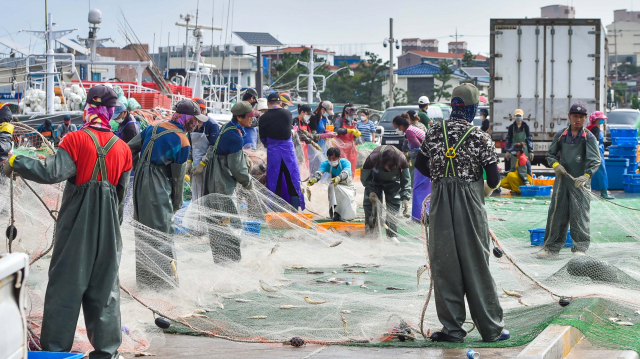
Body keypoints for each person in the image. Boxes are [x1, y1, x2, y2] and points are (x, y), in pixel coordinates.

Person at [3, 86, 132, 358]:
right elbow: (120, 200)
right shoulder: (123, 149)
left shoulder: (75, 139)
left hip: (77, 228)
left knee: (65, 287)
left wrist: (16, 160)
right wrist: (111, 233)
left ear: (88, 108)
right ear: (111, 111)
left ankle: (54, 352)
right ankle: (107, 353)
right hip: (109, 231)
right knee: (105, 290)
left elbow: (51, 172)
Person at [414, 83, 508, 343]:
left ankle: (453, 330)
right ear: (473, 109)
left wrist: (441, 179)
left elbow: (419, 163)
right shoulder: (480, 137)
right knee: (476, 263)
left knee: (445, 265)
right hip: (470, 204)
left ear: (452, 106)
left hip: (441, 202)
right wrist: (483, 191)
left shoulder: (434, 132)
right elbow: (494, 176)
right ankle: (491, 329)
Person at [129, 99, 207, 288]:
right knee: (162, 235)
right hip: (157, 186)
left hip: (139, 182)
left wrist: (136, 169)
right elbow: (178, 179)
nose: (196, 124)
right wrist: (176, 204)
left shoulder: (153, 127)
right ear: (187, 118)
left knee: (143, 232)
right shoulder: (182, 140)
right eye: (195, 120)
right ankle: (163, 285)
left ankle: (145, 281)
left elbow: (129, 148)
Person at [538, 103, 601, 259]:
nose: (577, 119)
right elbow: (550, 155)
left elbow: (595, 160)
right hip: (562, 182)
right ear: (569, 116)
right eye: (575, 116)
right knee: (556, 214)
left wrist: (586, 176)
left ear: (585, 118)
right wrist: (556, 165)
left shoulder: (589, 137)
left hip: (579, 183)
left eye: (581, 117)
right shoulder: (561, 135)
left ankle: (580, 248)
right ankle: (550, 248)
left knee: (579, 215)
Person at [196, 101, 254, 262]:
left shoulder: (228, 127)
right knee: (229, 221)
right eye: (249, 117)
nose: (251, 119)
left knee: (219, 221)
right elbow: (236, 168)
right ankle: (230, 260)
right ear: (239, 117)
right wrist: (247, 182)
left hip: (215, 177)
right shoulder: (234, 135)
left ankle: (222, 258)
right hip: (222, 182)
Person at [259, 93, 305, 210]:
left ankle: (276, 211)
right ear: (280, 103)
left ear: (268, 103)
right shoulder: (288, 114)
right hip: (288, 153)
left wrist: (269, 144)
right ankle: (295, 210)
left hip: (273, 153)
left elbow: (263, 138)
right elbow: (288, 133)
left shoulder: (263, 117)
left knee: (275, 181)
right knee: (292, 180)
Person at [361, 145, 411, 242]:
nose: (390, 170)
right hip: (374, 181)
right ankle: (372, 233)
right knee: (372, 206)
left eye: (393, 168)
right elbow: (365, 177)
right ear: (382, 162)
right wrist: (370, 191)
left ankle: (392, 234)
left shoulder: (402, 159)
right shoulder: (373, 158)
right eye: (388, 168)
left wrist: (405, 197)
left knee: (394, 205)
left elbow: (406, 179)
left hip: (393, 182)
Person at [393, 114, 430, 220]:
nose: (396, 130)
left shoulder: (409, 131)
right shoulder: (413, 128)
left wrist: (407, 155)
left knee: (418, 188)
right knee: (426, 188)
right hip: (428, 160)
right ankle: (426, 214)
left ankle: (418, 217)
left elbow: (419, 148)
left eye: (396, 127)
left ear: (401, 126)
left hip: (424, 161)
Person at [308, 147, 357, 221]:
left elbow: (346, 172)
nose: (331, 160)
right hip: (335, 186)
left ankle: (347, 215)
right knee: (332, 186)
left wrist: (338, 178)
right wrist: (315, 179)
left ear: (339, 157)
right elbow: (320, 172)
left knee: (348, 211)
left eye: (334, 158)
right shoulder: (326, 164)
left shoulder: (345, 162)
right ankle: (336, 212)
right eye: (329, 158)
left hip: (348, 187)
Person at [188, 97, 220, 200]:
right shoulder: (191, 123)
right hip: (196, 165)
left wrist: (202, 164)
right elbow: (190, 144)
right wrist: (189, 161)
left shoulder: (212, 124)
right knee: (196, 192)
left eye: (202, 109)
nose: (201, 111)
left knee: (207, 192)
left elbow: (213, 147)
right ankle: (197, 214)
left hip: (209, 165)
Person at [587, 111, 614, 200]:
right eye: (600, 119)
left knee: (589, 172)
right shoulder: (595, 129)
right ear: (595, 120)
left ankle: (587, 191)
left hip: (593, 152)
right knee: (602, 172)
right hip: (596, 152)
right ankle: (604, 193)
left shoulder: (592, 128)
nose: (602, 120)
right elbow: (596, 141)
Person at [308, 101, 335, 173]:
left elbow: (322, 130)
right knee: (315, 163)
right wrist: (325, 135)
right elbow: (313, 135)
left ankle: (321, 181)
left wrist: (327, 132)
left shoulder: (323, 117)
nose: (327, 114)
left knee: (323, 162)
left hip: (322, 143)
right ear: (322, 109)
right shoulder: (314, 117)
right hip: (314, 144)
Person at [334, 104, 361, 175]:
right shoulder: (339, 121)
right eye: (350, 115)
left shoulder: (353, 122)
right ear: (345, 113)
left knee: (351, 166)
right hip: (341, 148)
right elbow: (336, 130)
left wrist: (356, 134)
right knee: (341, 165)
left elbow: (354, 135)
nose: (352, 118)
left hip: (351, 148)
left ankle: (350, 181)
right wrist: (348, 130)